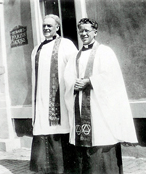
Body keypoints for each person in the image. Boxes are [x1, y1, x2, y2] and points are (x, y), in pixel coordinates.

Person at [64, 18, 138, 174]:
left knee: (101, 141)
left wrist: (89, 81)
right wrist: (74, 83)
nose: (83, 34)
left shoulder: (105, 52)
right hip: (81, 107)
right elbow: (68, 78)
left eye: (87, 30)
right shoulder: (75, 56)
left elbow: (112, 77)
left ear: (95, 32)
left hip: (99, 109)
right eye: (81, 31)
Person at [30, 14, 78, 174]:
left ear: (57, 27)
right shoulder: (36, 49)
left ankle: (64, 169)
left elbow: (75, 67)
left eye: (49, 26)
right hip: (40, 99)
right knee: (42, 127)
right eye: (44, 25)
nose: (46, 28)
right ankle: (44, 169)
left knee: (60, 127)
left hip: (60, 99)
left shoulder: (66, 45)